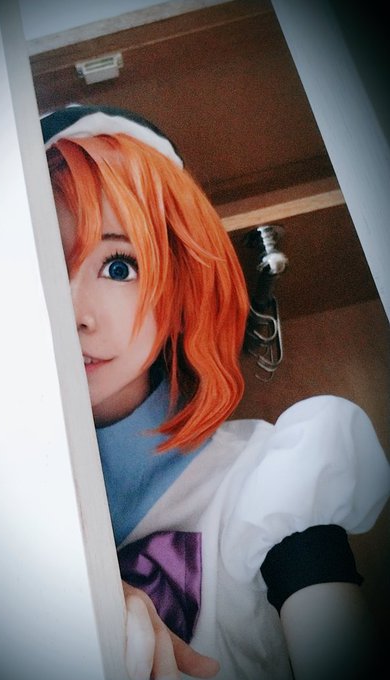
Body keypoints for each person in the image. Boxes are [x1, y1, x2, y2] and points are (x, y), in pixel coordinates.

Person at [40, 104, 390, 680]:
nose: (77, 312)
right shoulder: (4, 520)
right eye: (47, 267)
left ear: (177, 287)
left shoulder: (269, 477)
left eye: (119, 266)